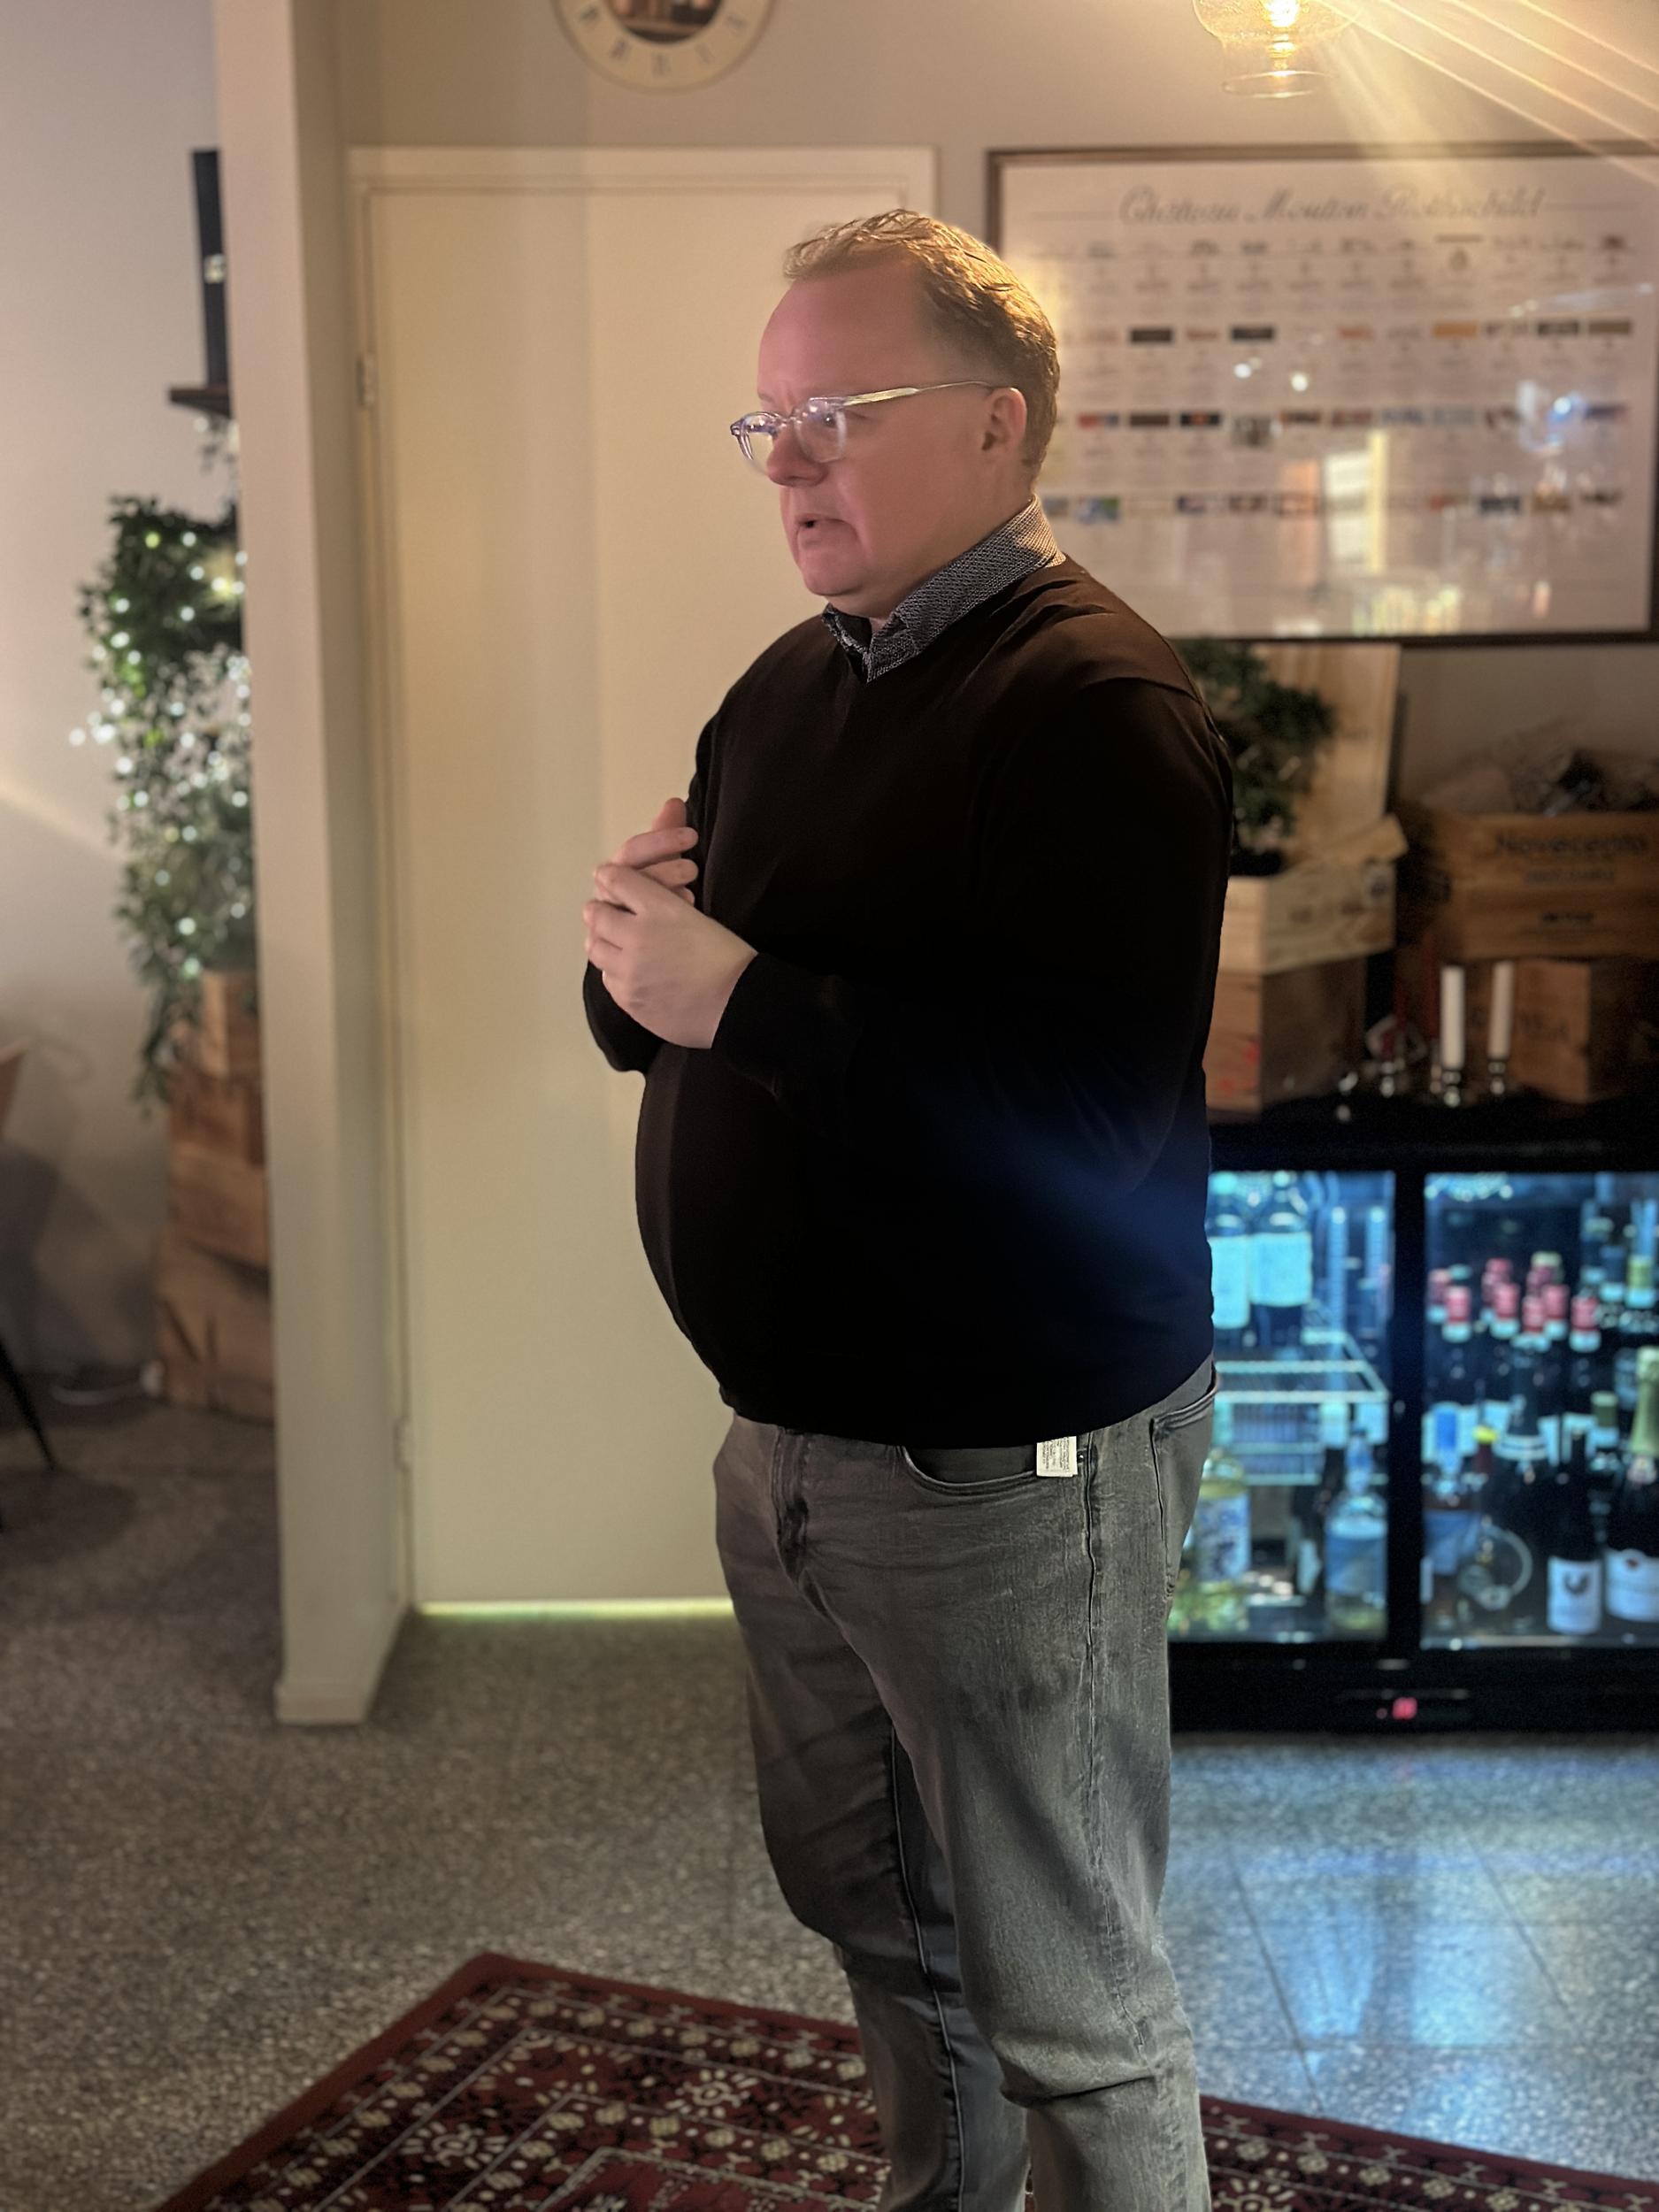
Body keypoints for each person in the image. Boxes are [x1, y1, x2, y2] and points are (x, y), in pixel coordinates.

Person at [581, 209, 1233, 2212]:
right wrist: (630, 962)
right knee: (880, 1919)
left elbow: (1084, 1118)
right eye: (765, 421)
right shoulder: (787, 685)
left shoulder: (1094, 709)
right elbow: (696, 1016)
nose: (786, 463)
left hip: (999, 1466)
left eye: (837, 413)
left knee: (1068, 1993)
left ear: (997, 422)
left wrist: (739, 994)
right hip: (790, 1441)